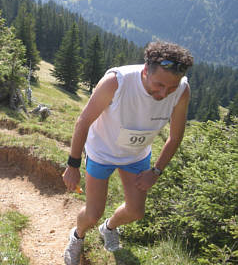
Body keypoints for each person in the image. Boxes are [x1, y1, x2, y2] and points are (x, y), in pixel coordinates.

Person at [63, 41, 193, 265]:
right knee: (93, 214)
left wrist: (156, 171)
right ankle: (77, 237)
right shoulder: (117, 81)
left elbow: (175, 136)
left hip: (137, 156)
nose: (163, 93)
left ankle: (109, 228)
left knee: (135, 211)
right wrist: (73, 165)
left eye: (170, 88)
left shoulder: (181, 90)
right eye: (159, 84)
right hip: (102, 152)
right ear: (145, 70)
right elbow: (83, 121)